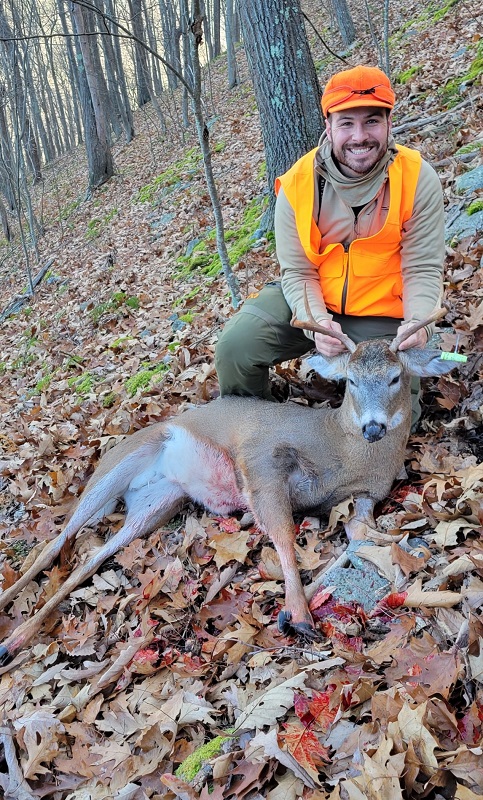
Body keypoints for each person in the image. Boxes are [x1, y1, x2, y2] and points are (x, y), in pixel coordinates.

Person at [215, 65, 445, 423]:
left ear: (388, 124)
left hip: (381, 314)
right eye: (346, 123)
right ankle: (253, 429)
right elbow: (299, 270)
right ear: (329, 127)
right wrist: (315, 324)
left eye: (371, 121)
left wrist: (418, 325)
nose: (359, 136)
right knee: (236, 348)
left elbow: (422, 267)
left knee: (401, 424)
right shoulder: (297, 185)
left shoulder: (417, 178)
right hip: (313, 304)